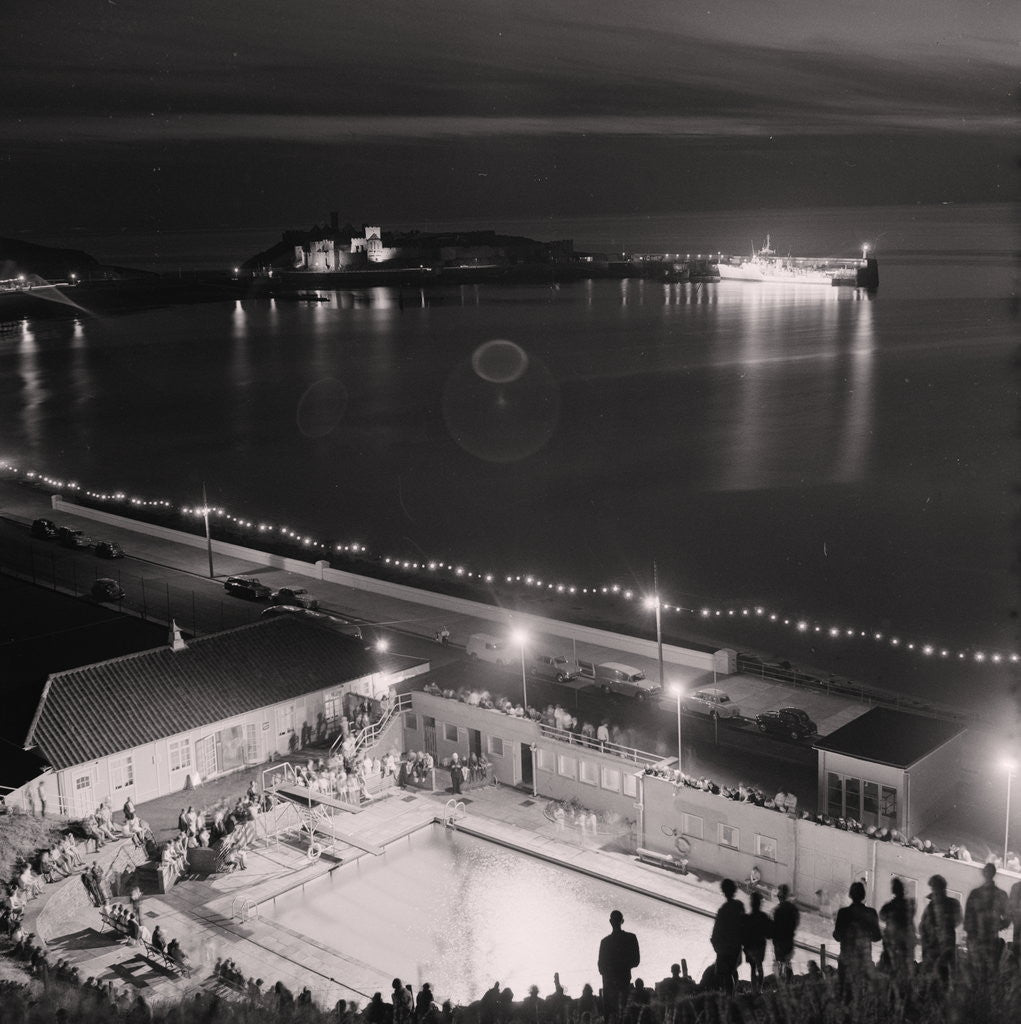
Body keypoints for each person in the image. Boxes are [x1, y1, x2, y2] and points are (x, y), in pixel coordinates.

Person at [833, 881, 881, 995]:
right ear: (864, 896)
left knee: (845, 995)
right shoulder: (871, 913)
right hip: (864, 962)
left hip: (846, 962)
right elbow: (877, 937)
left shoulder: (843, 913)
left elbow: (837, 936)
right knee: (863, 995)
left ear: (850, 895)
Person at [964, 862, 1010, 973]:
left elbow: (967, 921)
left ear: (984, 873)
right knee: (986, 974)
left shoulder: (976, 894)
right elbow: (1008, 919)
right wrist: (997, 925)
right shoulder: (1000, 895)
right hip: (985, 942)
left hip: (983, 942)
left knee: (980, 974)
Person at [597, 909, 640, 1024]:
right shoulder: (630, 938)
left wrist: (611, 972)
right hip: (621, 983)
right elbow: (635, 961)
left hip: (611, 985)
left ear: (610, 922)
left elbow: (601, 967)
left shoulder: (605, 942)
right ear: (623, 921)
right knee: (624, 1015)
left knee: (615, 1015)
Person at [920, 874, 962, 981]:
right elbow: (922, 926)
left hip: (944, 950)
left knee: (944, 977)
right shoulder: (931, 907)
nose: (934, 892)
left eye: (935, 889)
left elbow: (958, 920)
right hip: (932, 949)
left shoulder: (952, 904)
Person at [709, 879, 745, 992]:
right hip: (736, 945)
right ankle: (732, 994)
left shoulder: (723, 910)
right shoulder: (739, 905)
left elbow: (717, 930)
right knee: (731, 970)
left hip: (725, 947)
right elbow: (743, 924)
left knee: (725, 973)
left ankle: (730, 996)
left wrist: (715, 942)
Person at [879, 877, 917, 979]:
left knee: (890, 974)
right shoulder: (910, 905)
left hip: (892, 945)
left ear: (894, 890)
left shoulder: (890, 906)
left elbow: (882, 916)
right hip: (906, 946)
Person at [743, 891, 772, 991]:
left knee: (752, 968)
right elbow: (769, 935)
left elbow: (744, 935)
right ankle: (759, 989)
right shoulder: (764, 917)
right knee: (759, 967)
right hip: (760, 947)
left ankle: (754, 989)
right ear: (760, 904)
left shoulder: (747, 918)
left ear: (751, 904)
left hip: (750, 948)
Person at [771, 883, 800, 981]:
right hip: (788, 939)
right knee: (787, 962)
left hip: (779, 941)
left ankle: (780, 984)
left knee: (779, 962)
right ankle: (788, 983)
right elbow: (796, 923)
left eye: (779, 894)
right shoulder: (793, 908)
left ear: (781, 896)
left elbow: (773, 926)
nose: (778, 896)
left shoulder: (777, 910)